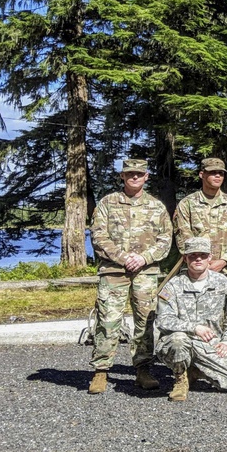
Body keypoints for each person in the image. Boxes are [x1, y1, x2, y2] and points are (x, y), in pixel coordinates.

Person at [87, 159, 173, 395]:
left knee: (145, 321)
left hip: (145, 272)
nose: (134, 177)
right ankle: (101, 371)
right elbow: (98, 236)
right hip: (114, 271)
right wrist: (123, 257)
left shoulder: (156, 207)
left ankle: (143, 370)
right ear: (122, 177)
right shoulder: (107, 203)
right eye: (129, 174)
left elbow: (166, 240)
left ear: (146, 177)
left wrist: (144, 258)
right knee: (108, 320)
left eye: (139, 174)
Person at [154, 237, 227, 402]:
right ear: (185, 258)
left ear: (210, 258)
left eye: (203, 255)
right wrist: (194, 327)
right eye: (192, 255)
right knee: (178, 340)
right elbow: (162, 320)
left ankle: (197, 370)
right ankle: (180, 379)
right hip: (181, 342)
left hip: (209, 344)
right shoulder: (173, 286)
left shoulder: (222, 283)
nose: (198, 259)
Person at [172, 157, 227, 294]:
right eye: (213, 172)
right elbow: (183, 239)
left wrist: (224, 260)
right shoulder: (187, 204)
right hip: (196, 273)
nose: (218, 175)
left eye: (221, 173)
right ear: (202, 174)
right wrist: (201, 263)